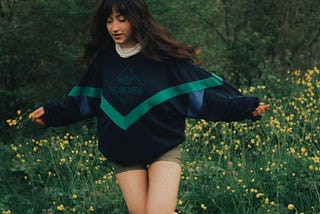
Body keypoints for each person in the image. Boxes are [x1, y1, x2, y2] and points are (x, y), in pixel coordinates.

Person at [30, 0, 269, 213]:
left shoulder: (162, 59)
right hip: (123, 152)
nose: (114, 27)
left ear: (137, 20)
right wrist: (51, 114)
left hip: (162, 146)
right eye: (109, 20)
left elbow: (202, 95)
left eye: (122, 20)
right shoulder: (104, 62)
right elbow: (82, 101)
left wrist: (245, 107)